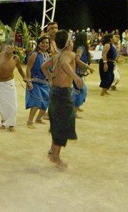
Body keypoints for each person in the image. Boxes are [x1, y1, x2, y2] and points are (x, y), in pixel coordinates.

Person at [41, 30, 83, 169]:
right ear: (68, 42)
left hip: (54, 92)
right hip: (63, 94)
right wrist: (75, 77)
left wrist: (49, 77)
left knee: (59, 123)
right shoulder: (68, 55)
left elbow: (44, 67)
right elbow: (65, 64)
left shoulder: (57, 55)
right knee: (64, 124)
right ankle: (55, 156)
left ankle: (53, 151)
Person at [0, 38, 28, 132]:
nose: (9, 46)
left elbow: (20, 70)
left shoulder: (15, 58)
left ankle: (11, 123)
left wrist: (26, 79)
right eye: (7, 44)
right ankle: (4, 121)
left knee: (13, 105)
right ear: (3, 46)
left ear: (14, 48)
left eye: (11, 45)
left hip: (10, 83)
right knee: (3, 104)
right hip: (0, 83)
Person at [25, 36, 50, 129]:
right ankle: (29, 121)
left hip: (45, 82)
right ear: (39, 44)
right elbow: (28, 68)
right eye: (43, 42)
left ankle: (39, 118)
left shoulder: (47, 55)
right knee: (37, 101)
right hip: (35, 82)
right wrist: (28, 81)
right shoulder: (34, 54)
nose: (45, 44)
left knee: (46, 101)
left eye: (47, 43)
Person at [72, 32, 94, 114]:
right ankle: (74, 110)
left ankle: (76, 107)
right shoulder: (81, 48)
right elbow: (77, 59)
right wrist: (88, 67)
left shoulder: (81, 47)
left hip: (79, 73)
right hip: (76, 73)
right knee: (80, 91)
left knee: (80, 90)